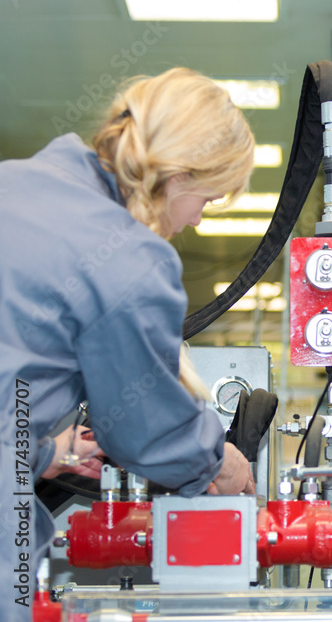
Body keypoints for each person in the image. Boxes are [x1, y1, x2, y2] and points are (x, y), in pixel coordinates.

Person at [0, 67, 257, 621]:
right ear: (178, 177)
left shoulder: (14, 184)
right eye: (208, 201)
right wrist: (217, 462)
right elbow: (143, 425)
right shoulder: (127, 254)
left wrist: (43, 452)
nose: (193, 221)